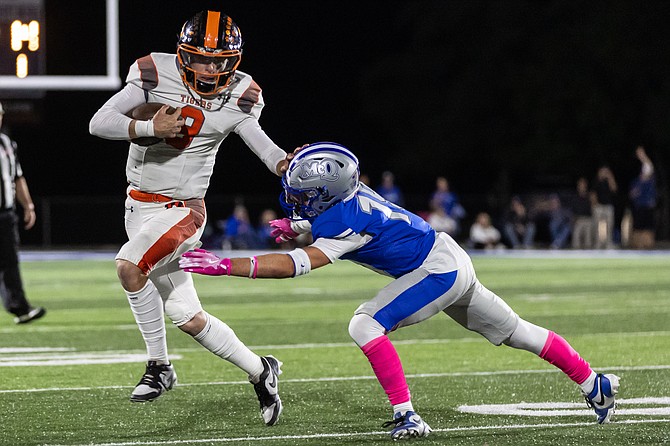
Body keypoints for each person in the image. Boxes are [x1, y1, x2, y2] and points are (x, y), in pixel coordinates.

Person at [180, 142, 620, 439]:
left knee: (364, 323)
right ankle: (593, 382)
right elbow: (330, 218)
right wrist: (299, 225)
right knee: (517, 331)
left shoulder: (343, 219)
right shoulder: (350, 192)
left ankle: (406, 414)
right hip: (449, 259)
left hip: (437, 270)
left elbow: (297, 265)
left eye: (303, 195)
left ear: (325, 193)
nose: (294, 198)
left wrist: (227, 265)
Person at [89, 10, 293, 426]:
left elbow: (266, 149)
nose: (212, 67)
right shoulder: (152, 71)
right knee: (187, 316)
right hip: (138, 206)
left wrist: (288, 164)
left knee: (130, 267)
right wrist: (148, 128)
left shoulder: (242, 94)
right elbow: (99, 123)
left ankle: (159, 366)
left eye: (220, 60)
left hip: (183, 210)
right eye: (202, 58)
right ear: (183, 55)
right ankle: (261, 371)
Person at [0, 101, 46, 325]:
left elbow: (17, 177)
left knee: (9, 262)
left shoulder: (7, 143)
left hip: (5, 214)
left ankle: (20, 308)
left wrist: (28, 205)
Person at [628, 146, 657, 249]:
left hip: (648, 206)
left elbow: (649, 165)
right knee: (638, 228)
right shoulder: (637, 182)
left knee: (648, 228)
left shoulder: (651, 180)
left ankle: (647, 245)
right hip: (639, 207)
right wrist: (634, 193)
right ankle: (638, 245)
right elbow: (631, 194)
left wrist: (642, 156)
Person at [591, 166, 617, 249]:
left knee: (609, 225)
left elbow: (614, 188)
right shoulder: (596, 182)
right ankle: (598, 243)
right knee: (597, 226)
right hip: (599, 207)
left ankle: (608, 243)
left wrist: (610, 177)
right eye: (602, 171)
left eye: (606, 171)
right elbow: (593, 194)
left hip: (608, 206)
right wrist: (594, 205)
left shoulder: (609, 181)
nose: (604, 173)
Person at [570, 178, 593, 249]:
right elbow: (573, 211)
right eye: (580, 185)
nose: (581, 186)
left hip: (588, 219)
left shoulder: (590, 195)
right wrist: (573, 221)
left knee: (588, 241)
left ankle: (588, 252)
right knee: (576, 241)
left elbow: (594, 208)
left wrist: (593, 199)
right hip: (578, 220)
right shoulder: (575, 197)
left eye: (583, 185)